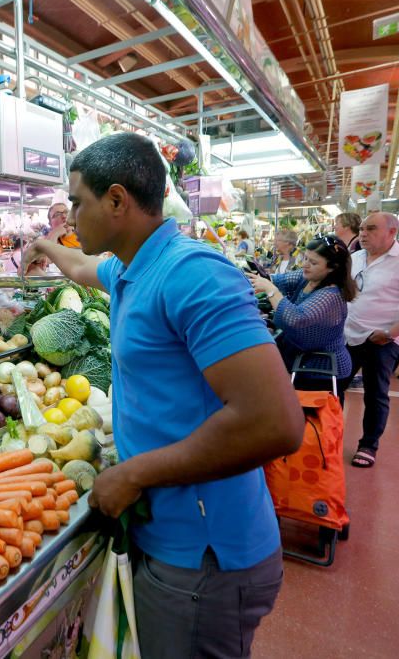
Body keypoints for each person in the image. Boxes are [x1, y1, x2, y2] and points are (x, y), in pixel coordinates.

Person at [21, 133, 302, 658]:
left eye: (77, 203)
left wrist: (132, 474)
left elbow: (276, 423)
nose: (71, 215)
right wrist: (45, 247)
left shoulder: (192, 274)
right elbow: (84, 268)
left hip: (204, 560)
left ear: (117, 200)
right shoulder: (131, 267)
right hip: (170, 543)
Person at [342, 213, 399, 468]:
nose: (363, 233)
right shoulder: (356, 257)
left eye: (371, 228)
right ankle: (328, 437)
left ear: (392, 232)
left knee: (375, 393)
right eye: (361, 228)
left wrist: (392, 332)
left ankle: (368, 445)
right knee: (335, 389)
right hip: (348, 336)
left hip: (381, 340)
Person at [249, 235, 356, 405]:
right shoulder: (309, 277)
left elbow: (295, 319)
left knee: (316, 425)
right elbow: (278, 280)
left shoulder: (331, 296)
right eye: (306, 258)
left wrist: (270, 290)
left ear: (332, 268)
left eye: (313, 262)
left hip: (322, 371)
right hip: (303, 363)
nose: (305, 264)